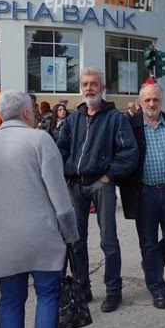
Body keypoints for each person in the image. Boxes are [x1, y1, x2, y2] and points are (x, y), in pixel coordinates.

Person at [0, 90, 79, 328]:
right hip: (42, 236)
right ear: (28, 112)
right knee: (48, 296)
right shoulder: (40, 140)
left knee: (10, 300)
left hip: (2, 238)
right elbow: (59, 196)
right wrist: (71, 234)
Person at [57, 67, 139, 313]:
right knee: (77, 241)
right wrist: (68, 171)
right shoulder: (73, 120)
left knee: (108, 241)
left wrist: (110, 174)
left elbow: (129, 152)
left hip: (101, 185)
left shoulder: (115, 119)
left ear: (102, 88)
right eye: (85, 84)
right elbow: (59, 150)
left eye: (94, 84)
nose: (89, 88)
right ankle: (83, 286)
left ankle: (113, 290)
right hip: (76, 185)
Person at [119, 84, 165, 309]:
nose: (151, 104)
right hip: (144, 193)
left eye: (155, 100)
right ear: (141, 102)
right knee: (148, 242)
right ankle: (157, 287)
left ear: (161, 100)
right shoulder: (130, 126)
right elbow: (121, 155)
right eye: (147, 100)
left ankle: (152, 265)